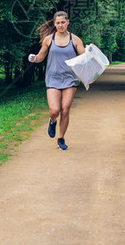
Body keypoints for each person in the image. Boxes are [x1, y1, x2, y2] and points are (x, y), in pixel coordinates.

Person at [28, 11, 86, 150]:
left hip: (69, 79)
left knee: (65, 110)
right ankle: (52, 121)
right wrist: (34, 58)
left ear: (68, 22)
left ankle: (61, 139)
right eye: (58, 23)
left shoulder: (75, 40)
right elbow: (41, 56)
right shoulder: (49, 39)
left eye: (63, 22)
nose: (60, 25)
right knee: (54, 110)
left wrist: (91, 56)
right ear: (55, 24)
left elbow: (84, 57)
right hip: (53, 78)